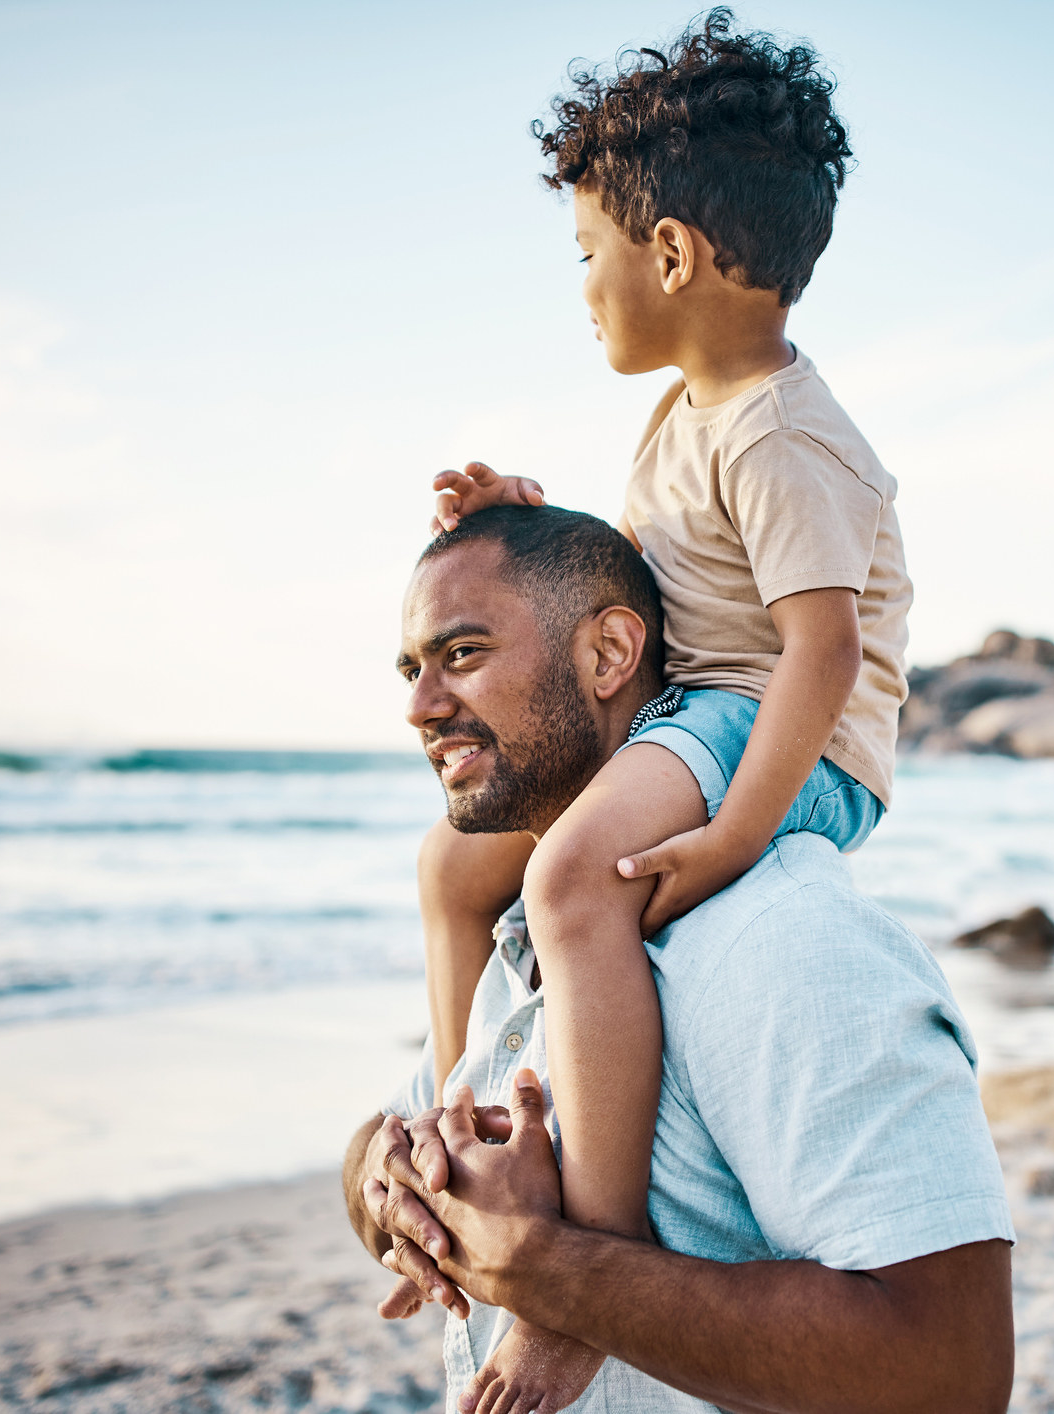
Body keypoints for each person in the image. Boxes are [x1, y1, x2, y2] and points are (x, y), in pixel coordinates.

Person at [411, 14, 914, 1408]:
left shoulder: (779, 430)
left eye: (590, 252)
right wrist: (527, 519)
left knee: (573, 876)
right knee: (458, 865)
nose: (582, 285)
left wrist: (738, 834)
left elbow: (821, 649)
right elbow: (644, 579)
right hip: (707, 712)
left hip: (773, 732)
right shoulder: (700, 412)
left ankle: (590, 1253)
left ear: (675, 254)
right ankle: (459, 1124)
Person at [349, 506, 1012, 1414]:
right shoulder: (519, 940)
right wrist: (397, 1189)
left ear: (610, 655)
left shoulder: (782, 942)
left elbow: (952, 1370)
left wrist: (545, 1269)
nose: (422, 705)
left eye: (462, 655)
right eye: (411, 669)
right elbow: (387, 1135)